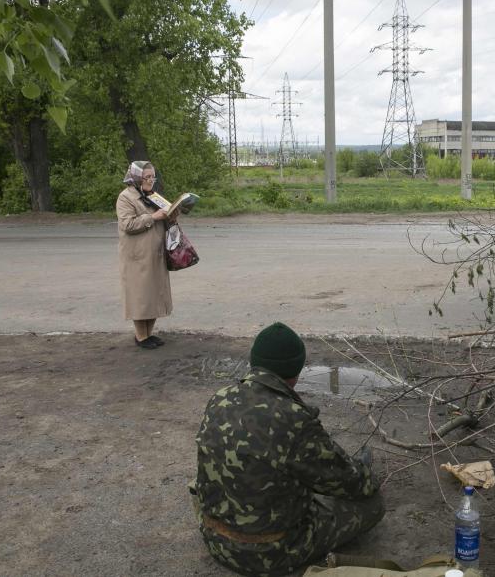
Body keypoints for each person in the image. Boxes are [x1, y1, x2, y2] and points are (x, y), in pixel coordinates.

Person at [191, 322, 384, 576]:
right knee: (373, 505)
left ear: (254, 363)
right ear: (296, 371)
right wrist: (366, 475)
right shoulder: (293, 418)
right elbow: (351, 483)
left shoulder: (219, 398)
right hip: (270, 555)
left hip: (216, 541)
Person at [116, 161, 175, 350]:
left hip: (155, 254)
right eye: (147, 177)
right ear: (136, 178)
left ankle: (149, 334)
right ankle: (141, 336)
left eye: (152, 177)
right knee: (140, 296)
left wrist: (173, 213)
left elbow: (164, 215)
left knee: (153, 295)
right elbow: (128, 225)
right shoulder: (126, 197)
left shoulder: (152, 196)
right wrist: (153, 217)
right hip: (137, 257)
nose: (151, 180)